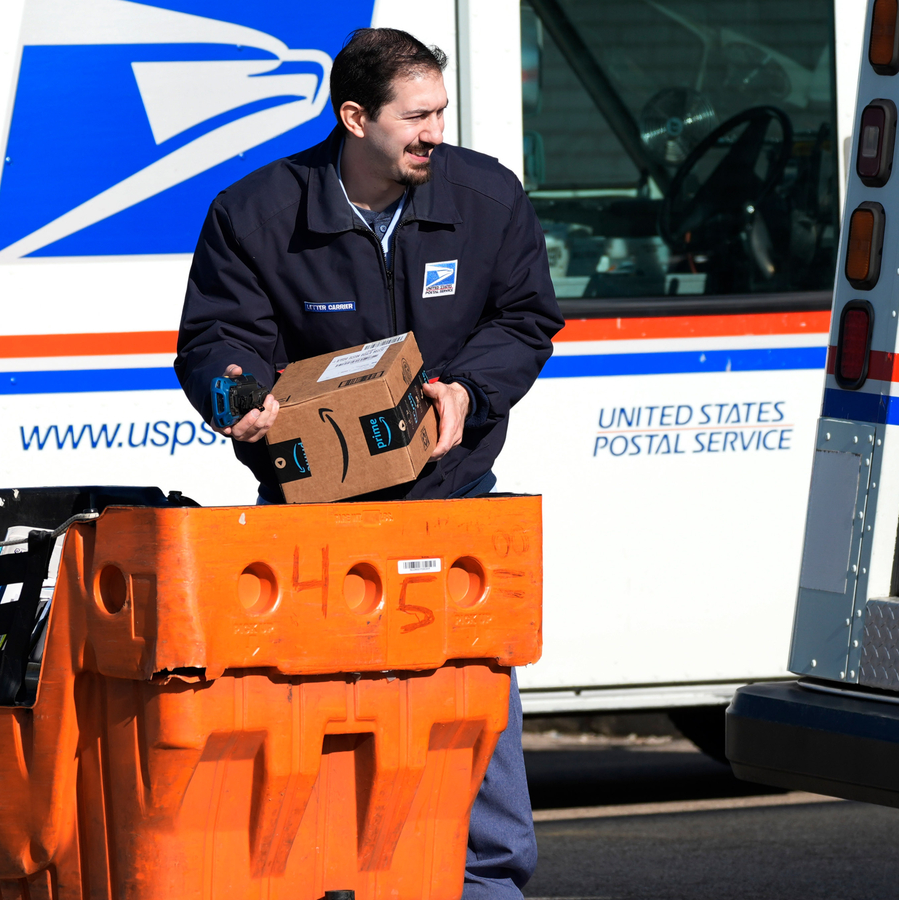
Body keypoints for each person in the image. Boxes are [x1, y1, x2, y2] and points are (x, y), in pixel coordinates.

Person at [174, 27, 562, 900]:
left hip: (452, 508)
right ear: (354, 118)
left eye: (440, 113)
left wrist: (470, 390)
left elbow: (526, 318)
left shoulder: (486, 195)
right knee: (326, 722)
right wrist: (238, 397)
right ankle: (334, 883)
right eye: (415, 117)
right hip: (317, 523)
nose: (435, 133)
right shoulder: (258, 215)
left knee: (471, 713)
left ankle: (486, 886)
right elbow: (215, 341)